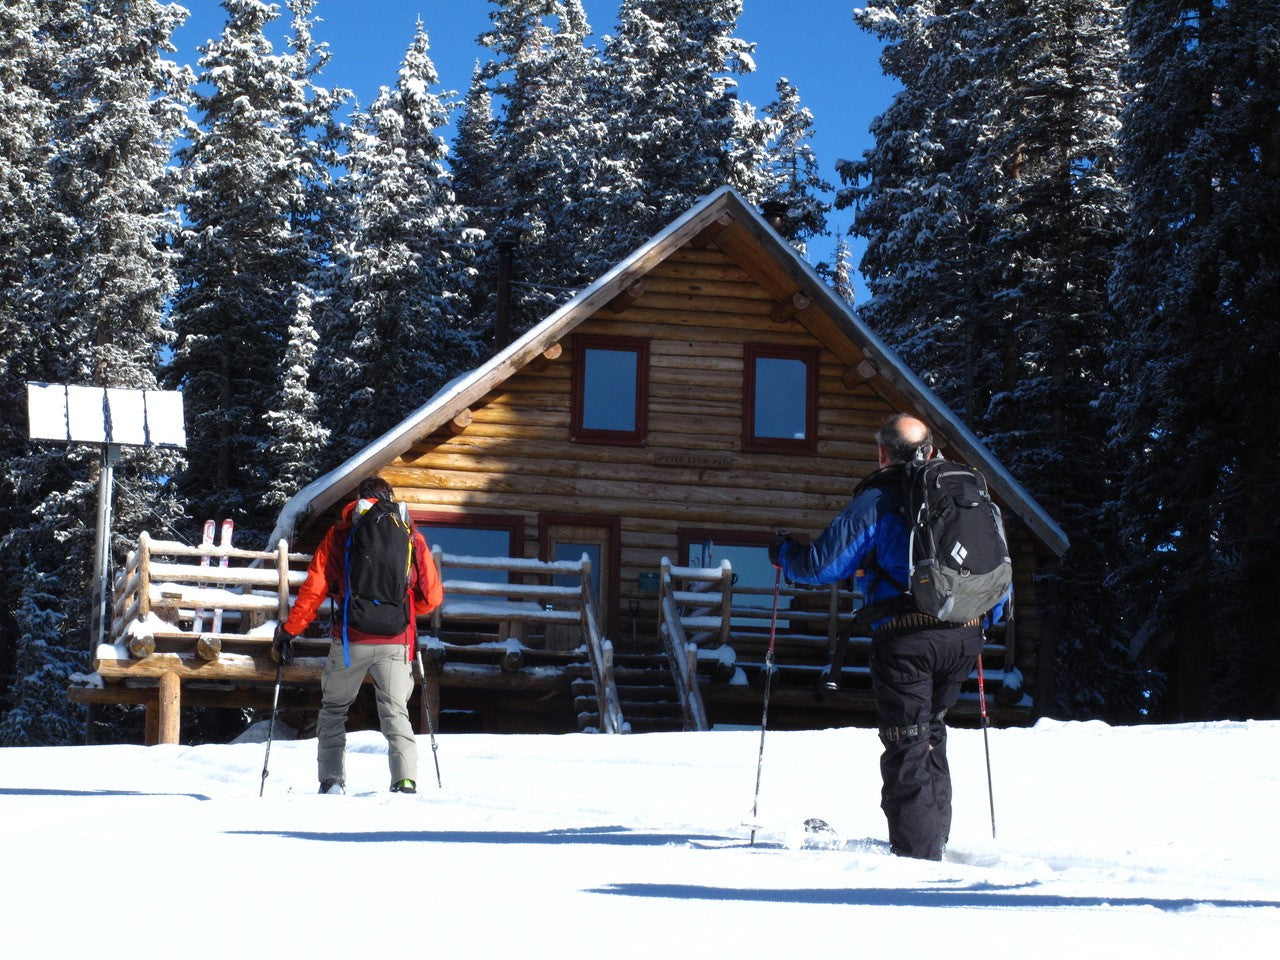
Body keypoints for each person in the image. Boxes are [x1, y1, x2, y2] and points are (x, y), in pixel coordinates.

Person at [769, 413, 1008, 860]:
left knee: (907, 737)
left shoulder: (879, 498)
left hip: (905, 639)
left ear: (883, 454)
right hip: (965, 636)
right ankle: (934, 842)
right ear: (931, 450)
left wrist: (784, 553)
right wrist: (978, 624)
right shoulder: (968, 493)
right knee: (932, 730)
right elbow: (997, 572)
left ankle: (917, 858)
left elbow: (825, 564)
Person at [272, 476, 443, 795]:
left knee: (334, 709)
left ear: (360, 499)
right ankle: (404, 780)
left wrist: (289, 631)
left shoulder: (340, 533)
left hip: (351, 640)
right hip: (396, 640)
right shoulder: (410, 535)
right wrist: (405, 608)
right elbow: (431, 598)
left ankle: (332, 780)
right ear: (391, 499)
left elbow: (314, 590)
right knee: (396, 712)